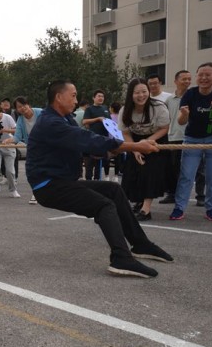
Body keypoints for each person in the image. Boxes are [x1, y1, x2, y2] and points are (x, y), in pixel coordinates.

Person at [26, 80, 173, 278]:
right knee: (103, 205)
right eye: (74, 95)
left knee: (113, 190)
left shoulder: (65, 118)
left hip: (63, 181)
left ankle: (140, 244)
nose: (76, 100)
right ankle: (121, 258)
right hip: (48, 186)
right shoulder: (50, 122)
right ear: (59, 97)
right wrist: (137, 146)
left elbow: (83, 143)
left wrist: (102, 150)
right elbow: (88, 140)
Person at [170, 62, 212, 221]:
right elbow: (181, 121)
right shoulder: (190, 94)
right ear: (197, 76)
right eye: (201, 75)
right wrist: (184, 113)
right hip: (192, 138)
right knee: (186, 175)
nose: (204, 78)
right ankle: (179, 208)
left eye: (208, 75)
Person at [118, 78, 170, 221]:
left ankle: (146, 210)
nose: (141, 96)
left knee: (150, 173)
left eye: (144, 91)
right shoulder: (125, 110)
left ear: (149, 92)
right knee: (131, 172)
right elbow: (125, 133)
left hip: (156, 140)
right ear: (131, 94)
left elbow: (164, 128)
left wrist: (146, 142)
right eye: (137, 93)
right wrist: (135, 149)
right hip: (134, 141)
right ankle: (137, 202)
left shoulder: (158, 107)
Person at [159, 70, 203, 205]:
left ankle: (201, 196)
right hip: (174, 138)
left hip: (193, 137)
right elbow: (165, 120)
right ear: (176, 81)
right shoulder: (168, 100)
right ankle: (172, 194)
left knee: (199, 168)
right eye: (184, 79)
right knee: (173, 168)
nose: (187, 82)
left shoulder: (196, 97)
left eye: (189, 79)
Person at [4, 96, 43, 204]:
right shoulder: (21, 120)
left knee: (47, 171)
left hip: (46, 147)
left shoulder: (40, 113)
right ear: (16, 110)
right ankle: (36, 193)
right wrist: (9, 141)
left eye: (24, 105)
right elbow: (17, 137)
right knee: (32, 171)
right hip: (33, 148)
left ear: (28, 104)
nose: (22, 108)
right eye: (19, 107)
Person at [82, 89, 111, 180]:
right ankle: (88, 182)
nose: (101, 98)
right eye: (99, 96)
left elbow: (109, 122)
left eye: (102, 96)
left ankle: (98, 181)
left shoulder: (105, 109)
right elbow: (85, 121)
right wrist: (98, 119)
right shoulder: (89, 109)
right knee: (90, 163)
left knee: (100, 163)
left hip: (103, 140)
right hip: (92, 139)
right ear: (93, 98)